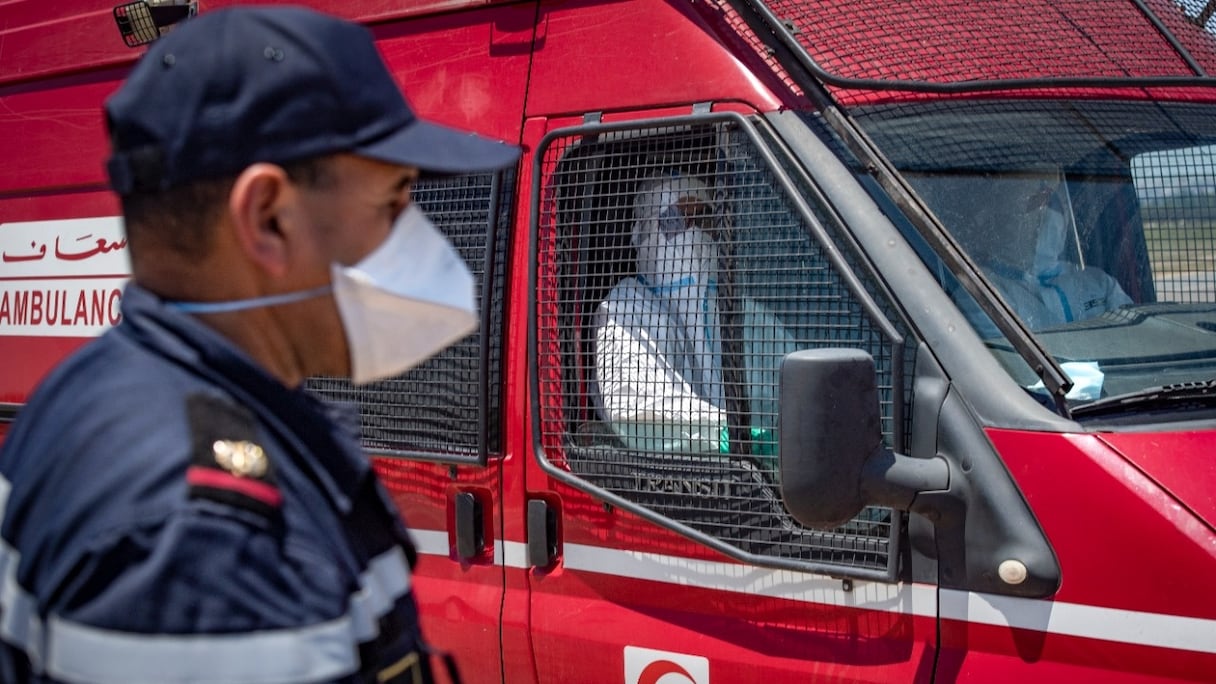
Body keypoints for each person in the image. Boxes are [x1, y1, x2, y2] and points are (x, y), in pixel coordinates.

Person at [0, 7, 518, 684]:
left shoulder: (92, 389)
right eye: (392, 203)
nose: (418, 241)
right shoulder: (204, 536)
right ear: (268, 217)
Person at [591, 172, 798, 457]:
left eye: (703, 220)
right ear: (647, 231)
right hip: (678, 487)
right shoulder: (624, 312)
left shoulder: (742, 311)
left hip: (768, 485)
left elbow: (799, 390)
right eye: (679, 220)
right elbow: (637, 413)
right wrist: (735, 439)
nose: (695, 233)